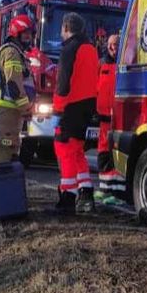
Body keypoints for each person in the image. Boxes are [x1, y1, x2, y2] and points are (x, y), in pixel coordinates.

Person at [53, 12, 99, 214]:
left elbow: (63, 81)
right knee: (78, 151)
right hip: (87, 106)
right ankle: (86, 191)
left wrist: (58, 106)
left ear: (66, 28)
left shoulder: (69, 49)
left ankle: (68, 197)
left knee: (65, 150)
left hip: (70, 106)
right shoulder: (91, 49)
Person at [0, 14, 36, 164]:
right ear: (17, 32)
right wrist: (26, 108)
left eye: (31, 34)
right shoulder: (11, 53)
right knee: (2, 155)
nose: (29, 38)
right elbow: (13, 84)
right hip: (7, 112)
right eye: (26, 34)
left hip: (11, 113)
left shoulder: (17, 53)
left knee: (8, 154)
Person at [94, 34, 125, 204]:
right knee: (104, 152)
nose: (113, 47)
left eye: (117, 44)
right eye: (111, 44)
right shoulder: (101, 64)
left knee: (118, 153)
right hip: (104, 118)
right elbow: (94, 87)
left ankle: (118, 193)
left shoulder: (125, 64)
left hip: (120, 118)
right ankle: (105, 189)